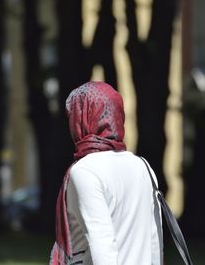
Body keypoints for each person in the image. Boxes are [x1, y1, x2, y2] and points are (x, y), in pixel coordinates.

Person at [50, 81, 163, 265]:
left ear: (83, 117)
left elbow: (102, 246)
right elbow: (154, 241)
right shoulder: (143, 167)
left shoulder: (84, 171)